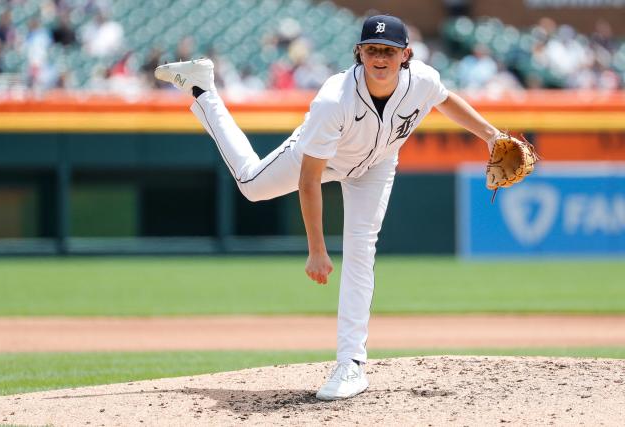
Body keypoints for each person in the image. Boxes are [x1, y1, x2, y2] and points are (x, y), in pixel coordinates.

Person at [155, 14, 501, 401]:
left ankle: (351, 364)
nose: (380, 58)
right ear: (359, 52)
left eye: (388, 50)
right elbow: (308, 180)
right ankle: (203, 89)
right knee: (252, 185)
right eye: (372, 49)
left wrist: (492, 136)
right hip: (321, 157)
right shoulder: (335, 98)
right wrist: (316, 249)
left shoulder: (422, 79)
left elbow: (445, 99)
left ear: (406, 54)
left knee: (360, 250)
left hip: (377, 165)